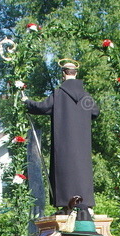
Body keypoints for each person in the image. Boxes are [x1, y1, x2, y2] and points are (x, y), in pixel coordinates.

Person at [23, 59, 100, 210]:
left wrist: (27, 101)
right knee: (82, 172)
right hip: (82, 147)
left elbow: (42, 107)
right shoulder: (85, 96)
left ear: (63, 74)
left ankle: (66, 205)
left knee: (65, 171)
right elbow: (95, 112)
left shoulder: (59, 95)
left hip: (64, 146)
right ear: (76, 74)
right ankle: (86, 206)